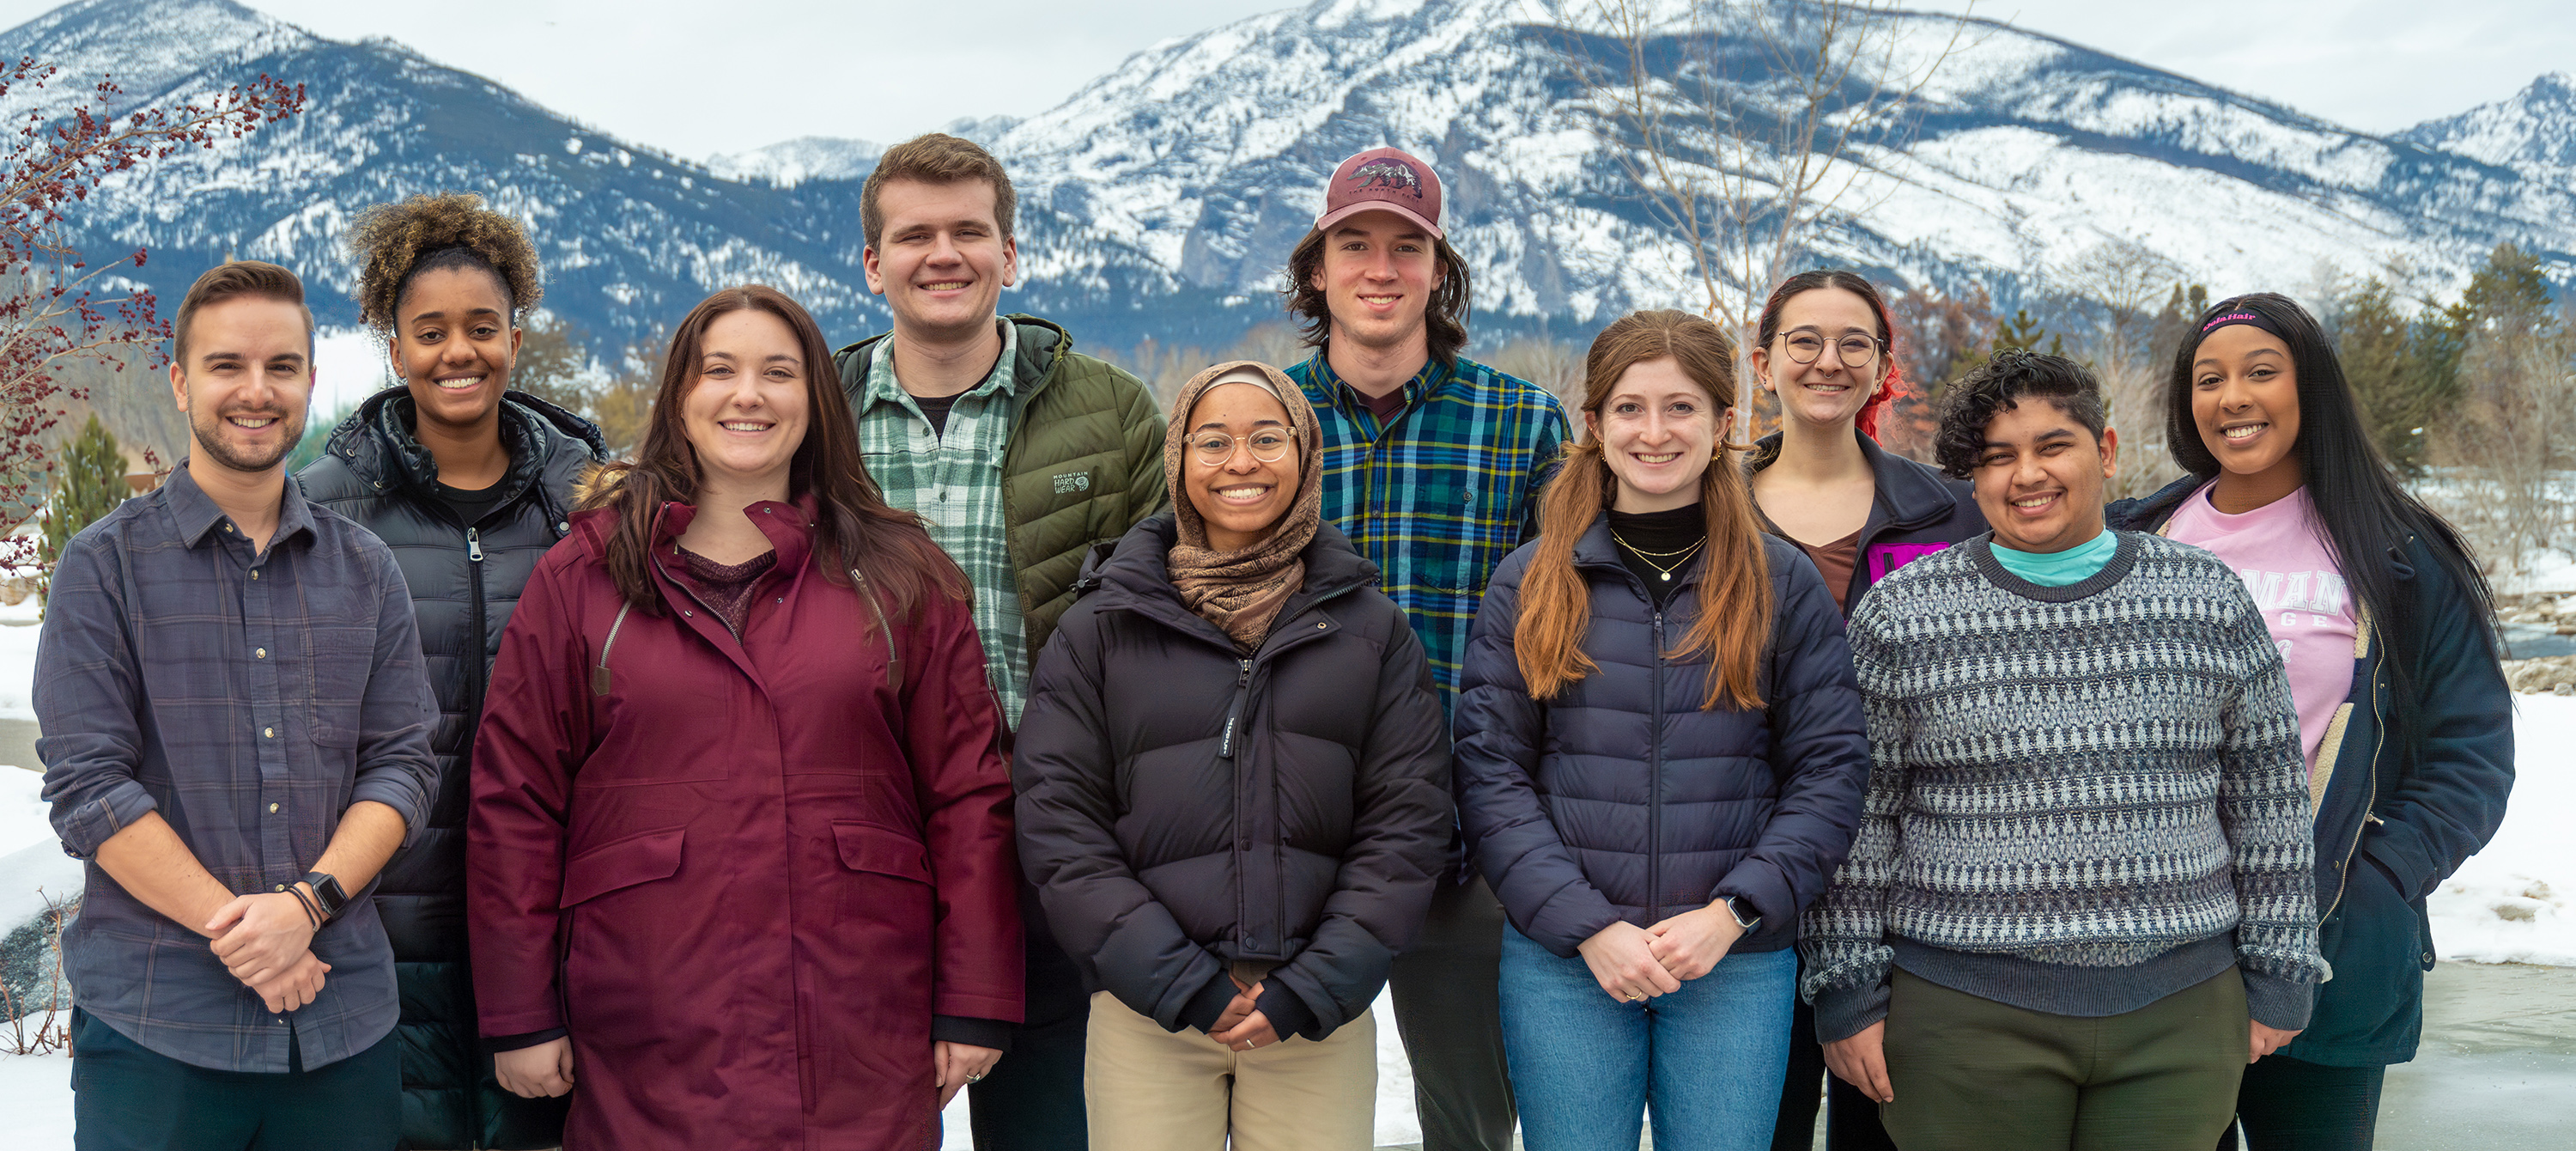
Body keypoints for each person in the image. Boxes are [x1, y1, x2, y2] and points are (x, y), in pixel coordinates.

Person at [467, 285, 1023, 1148]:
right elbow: (516, 801)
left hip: (858, 1021)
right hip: (647, 1026)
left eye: (779, 372)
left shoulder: (899, 573)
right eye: (718, 370)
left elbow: (967, 794)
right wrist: (518, 1010)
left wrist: (976, 996)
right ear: (679, 398)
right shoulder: (586, 575)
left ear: (816, 399)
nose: (747, 395)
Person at [1802, 350, 2330, 1151]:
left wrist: (2281, 970)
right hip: (1958, 1015)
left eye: (2053, 446)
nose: (2028, 476)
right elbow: (1860, 817)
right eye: (1997, 458)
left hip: (2180, 1014)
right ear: (1972, 480)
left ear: (2107, 451)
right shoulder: (1902, 613)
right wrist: (1847, 989)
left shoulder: (2207, 596)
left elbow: (2268, 797)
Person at [35, 260, 440, 1151]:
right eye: (226, 365)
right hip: (157, 1027)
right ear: (180, 383)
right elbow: (91, 787)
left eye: (281, 366)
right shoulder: (103, 569)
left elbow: (403, 765)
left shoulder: (366, 570)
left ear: (308, 381)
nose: (255, 391)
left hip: (342, 1024)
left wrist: (305, 907)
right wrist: (244, 931)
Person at [1453, 309, 1871, 1151]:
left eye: (1680, 407)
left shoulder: (1778, 579)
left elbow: (1830, 769)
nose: (1654, 431)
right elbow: (1491, 776)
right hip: (1568, 962)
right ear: (1595, 425)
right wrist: (1588, 925)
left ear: (1724, 425)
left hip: (1732, 961)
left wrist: (1733, 911)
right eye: (1630, 408)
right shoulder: (1533, 579)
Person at [2105, 294, 2512, 1151]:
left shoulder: (2398, 553)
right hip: (2156, 954)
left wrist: (2380, 874)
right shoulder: (2138, 538)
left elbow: (2471, 756)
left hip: (2332, 946)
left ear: (2311, 389)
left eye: (2261, 371)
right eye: (2208, 378)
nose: (2232, 397)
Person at [1013, 360, 1453, 1150]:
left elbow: (1406, 827)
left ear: (1306, 454)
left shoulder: (1370, 630)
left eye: (1266, 438)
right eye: (1212, 441)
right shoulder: (1102, 627)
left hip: (1311, 1017)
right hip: (1148, 1009)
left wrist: (1314, 987)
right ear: (1178, 461)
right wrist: (1176, 980)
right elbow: (1059, 825)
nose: (1240, 462)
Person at [833, 131, 1167, 1148]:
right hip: (865, 838)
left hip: (1054, 834)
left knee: (1055, 1128)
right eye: (915, 234)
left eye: (969, 230)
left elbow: (1168, 631)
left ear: (1009, 254)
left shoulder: (1107, 412)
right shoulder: (816, 418)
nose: (944, 253)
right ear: (872, 262)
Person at [296, 192, 607, 1150]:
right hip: (378, 908)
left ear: (518, 333)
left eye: (482, 327)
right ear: (393, 345)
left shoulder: (589, 501)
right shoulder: (328, 505)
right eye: (429, 331)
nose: (457, 351)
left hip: (554, 907)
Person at [1281, 145, 1571, 1151]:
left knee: (1473, 1120)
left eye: (1407, 247)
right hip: (1295, 833)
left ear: (1437, 271)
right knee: (1295, 1117)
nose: (1379, 267)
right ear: (1316, 268)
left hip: (1465, 836)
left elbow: (1568, 620)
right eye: (1353, 243)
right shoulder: (1263, 420)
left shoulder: (1519, 419)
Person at [1742, 271, 1984, 1151]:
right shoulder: (1705, 509)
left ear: (1883, 365)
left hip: (1906, 893)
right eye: (1804, 340)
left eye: (1855, 342)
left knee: (1883, 1129)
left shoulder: (1951, 512)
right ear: (1763, 362)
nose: (1828, 360)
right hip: (1745, 880)